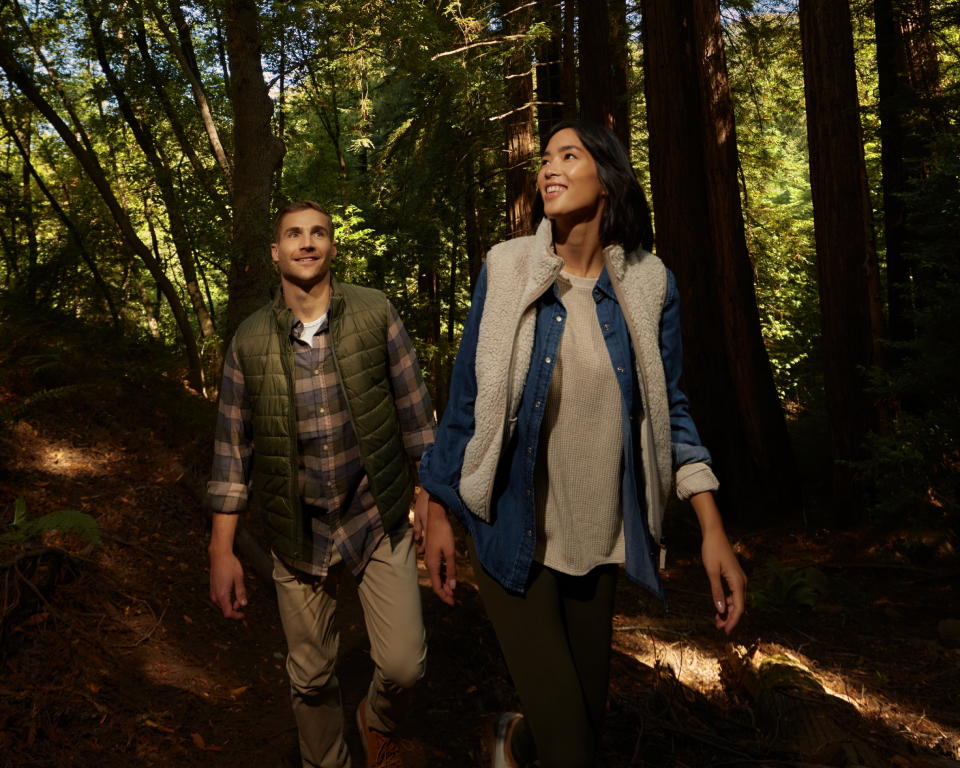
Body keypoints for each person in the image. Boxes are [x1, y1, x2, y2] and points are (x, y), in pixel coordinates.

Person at [415, 121, 747, 768]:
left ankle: (512, 738)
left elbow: (669, 411)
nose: (548, 168)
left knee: (576, 728)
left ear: (609, 179)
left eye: (569, 155)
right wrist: (435, 506)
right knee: (575, 753)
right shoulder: (507, 268)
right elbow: (466, 398)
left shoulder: (652, 285)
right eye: (544, 159)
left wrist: (712, 528)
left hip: (598, 543)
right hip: (511, 531)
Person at [206, 200, 436, 768]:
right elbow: (232, 453)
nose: (306, 243)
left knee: (407, 664)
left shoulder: (375, 313)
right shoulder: (249, 341)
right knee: (309, 679)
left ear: (333, 247)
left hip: (373, 517)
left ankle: (376, 720)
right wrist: (221, 549)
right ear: (276, 252)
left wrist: (433, 504)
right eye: (293, 234)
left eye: (318, 233)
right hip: (297, 532)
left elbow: (418, 421)